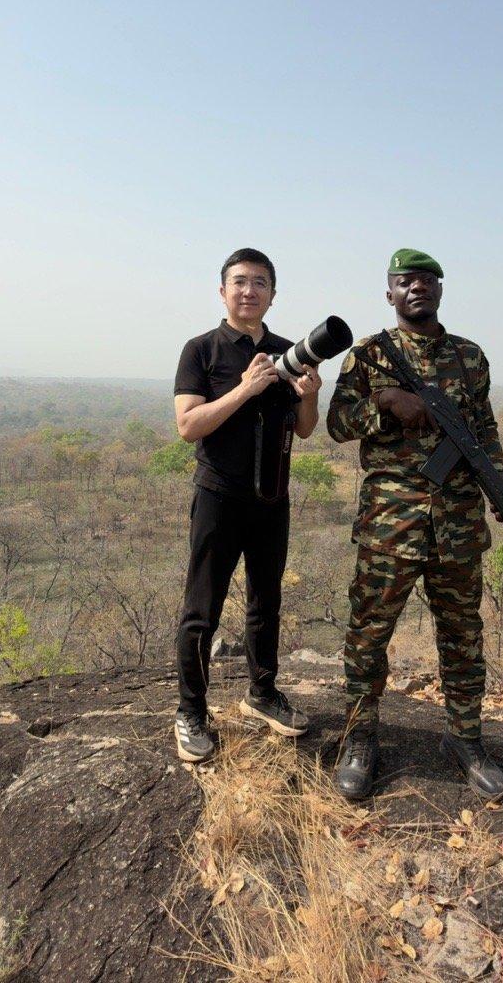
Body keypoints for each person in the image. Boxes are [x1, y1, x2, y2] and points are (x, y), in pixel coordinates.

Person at [325, 248, 503, 800]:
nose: (418, 287)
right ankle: (360, 737)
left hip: (458, 522)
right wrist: (386, 401)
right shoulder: (369, 355)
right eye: (406, 281)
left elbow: (483, 431)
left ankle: (465, 737)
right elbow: (338, 424)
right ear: (389, 292)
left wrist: (502, 484)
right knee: (369, 635)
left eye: (428, 280)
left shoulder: (469, 357)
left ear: (440, 289)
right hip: (390, 524)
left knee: (462, 637)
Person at [171, 248, 322, 762]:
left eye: (260, 282)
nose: (249, 290)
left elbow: (305, 429)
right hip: (218, 497)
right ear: (222, 291)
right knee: (202, 610)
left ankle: (263, 694)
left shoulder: (289, 352)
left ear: (273, 295)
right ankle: (191, 711)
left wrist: (309, 394)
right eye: (239, 281)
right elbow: (188, 425)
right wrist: (244, 389)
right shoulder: (201, 351)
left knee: (266, 602)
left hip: (271, 498)